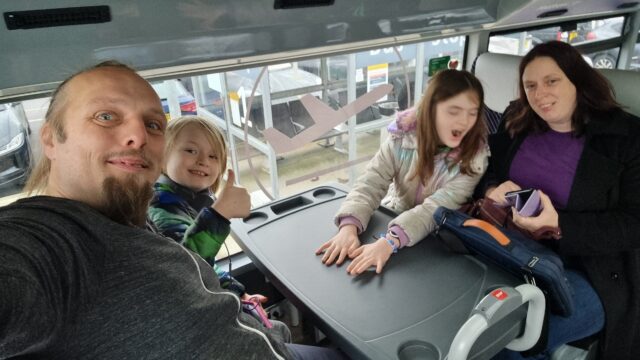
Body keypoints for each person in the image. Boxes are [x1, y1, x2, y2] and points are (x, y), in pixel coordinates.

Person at [0, 61, 345, 359]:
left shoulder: (133, 224)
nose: (138, 135)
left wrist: (231, 293)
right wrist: (220, 215)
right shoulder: (47, 241)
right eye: (106, 117)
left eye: (153, 125)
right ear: (49, 140)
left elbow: (191, 274)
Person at [480, 41, 640, 359]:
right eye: (531, 85)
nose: (540, 94)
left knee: (504, 340)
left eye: (552, 81)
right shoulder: (518, 119)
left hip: (592, 271)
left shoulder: (628, 138)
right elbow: (488, 174)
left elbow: (634, 224)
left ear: (577, 80)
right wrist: (492, 189)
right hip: (511, 251)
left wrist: (559, 225)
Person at [316, 69, 489, 275]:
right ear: (431, 109)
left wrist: (389, 242)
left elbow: (433, 211)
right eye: (454, 111)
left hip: (438, 243)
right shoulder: (402, 138)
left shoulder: (474, 161)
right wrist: (349, 226)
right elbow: (372, 182)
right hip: (393, 215)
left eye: (472, 113)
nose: (464, 121)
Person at [148, 115, 290, 341]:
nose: (204, 160)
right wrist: (218, 215)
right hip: (194, 318)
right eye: (191, 151)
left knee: (279, 329)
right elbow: (189, 266)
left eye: (213, 156)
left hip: (208, 299)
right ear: (163, 155)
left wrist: (238, 291)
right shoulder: (161, 205)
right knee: (279, 332)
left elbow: (208, 267)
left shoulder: (190, 201)